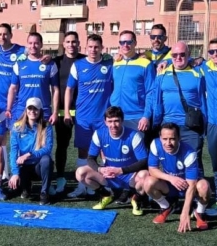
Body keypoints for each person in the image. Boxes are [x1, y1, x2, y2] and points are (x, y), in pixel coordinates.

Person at [64, 34, 113, 198]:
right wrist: (66, 112)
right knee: (83, 152)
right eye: (90, 47)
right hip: (83, 118)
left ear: (102, 48)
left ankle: (105, 186)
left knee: (105, 153)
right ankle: (81, 186)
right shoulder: (78, 65)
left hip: (103, 119)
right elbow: (69, 90)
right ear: (86, 48)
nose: (93, 50)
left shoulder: (109, 64)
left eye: (96, 47)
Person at [75, 106, 148, 214]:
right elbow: (90, 158)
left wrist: (121, 170)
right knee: (80, 173)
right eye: (110, 121)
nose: (113, 125)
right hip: (108, 175)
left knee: (145, 175)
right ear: (105, 122)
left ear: (122, 120)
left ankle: (136, 199)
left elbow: (143, 160)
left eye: (116, 121)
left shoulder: (133, 135)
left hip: (129, 175)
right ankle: (105, 195)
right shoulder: (99, 134)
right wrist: (100, 170)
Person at [111, 30, 156, 204]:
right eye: (122, 42)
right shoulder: (116, 63)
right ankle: (124, 189)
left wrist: (146, 116)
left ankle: (140, 192)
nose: (125, 45)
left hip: (137, 116)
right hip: (117, 116)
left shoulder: (145, 63)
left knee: (138, 156)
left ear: (135, 43)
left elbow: (151, 91)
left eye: (129, 42)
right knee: (121, 154)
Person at [152, 41, 207, 176]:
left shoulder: (198, 73)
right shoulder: (162, 72)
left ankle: (197, 193)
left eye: (182, 54)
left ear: (188, 55)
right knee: (170, 160)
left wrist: (203, 127)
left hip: (190, 126)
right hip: (168, 125)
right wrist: (156, 123)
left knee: (194, 160)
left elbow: (203, 101)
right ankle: (172, 193)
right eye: (174, 55)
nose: (178, 58)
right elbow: (157, 100)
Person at [144, 123, 210, 232]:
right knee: (148, 182)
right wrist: (171, 178)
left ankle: (199, 212)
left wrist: (185, 212)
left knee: (204, 186)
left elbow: (191, 186)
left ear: (179, 138)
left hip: (188, 187)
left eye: (172, 139)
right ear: (160, 137)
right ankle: (166, 207)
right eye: (164, 139)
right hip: (170, 185)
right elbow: (152, 170)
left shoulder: (189, 153)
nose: (168, 143)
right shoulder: (155, 145)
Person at [52, 31, 86, 193]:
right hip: (62, 111)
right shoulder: (56, 62)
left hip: (83, 111)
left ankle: (87, 179)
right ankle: (60, 177)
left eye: (74, 42)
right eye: (68, 42)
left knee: (85, 146)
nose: (71, 45)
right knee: (62, 145)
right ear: (63, 44)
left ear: (78, 44)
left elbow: (106, 60)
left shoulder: (85, 59)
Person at [0, 23, 26, 181]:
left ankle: (16, 172)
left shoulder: (20, 51)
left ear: (11, 35)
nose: (2, 37)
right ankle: (3, 172)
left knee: (15, 138)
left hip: (15, 103)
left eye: (5, 34)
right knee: (0, 138)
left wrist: (45, 57)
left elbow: (34, 53)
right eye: (0, 34)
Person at [6, 32, 59, 128]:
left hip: (43, 111)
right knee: (21, 141)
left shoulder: (50, 64)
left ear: (41, 45)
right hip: (22, 111)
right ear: (27, 44)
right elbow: (13, 88)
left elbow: (55, 90)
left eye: (36, 43)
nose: (33, 46)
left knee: (42, 142)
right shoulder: (19, 64)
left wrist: (55, 112)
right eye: (30, 43)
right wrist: (8, 109)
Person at [9, 97, 54, 205]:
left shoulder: (46, 126)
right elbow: (13, 151)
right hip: (24, 167)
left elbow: (48, 148)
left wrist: (29, 154)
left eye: (36, 109)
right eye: (30, 108)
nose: (32, 111)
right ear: (26, 110)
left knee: (46, 160)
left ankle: (44, 193)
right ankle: (26, 187)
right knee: (17, 189)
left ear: (40, 111)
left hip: (39, 166)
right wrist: (15, 173)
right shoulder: (17, 127)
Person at [199, 38, 217, 209]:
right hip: (213, 123)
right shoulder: (205, 68)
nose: (215, 54)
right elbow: (184, 61)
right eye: (212, 51)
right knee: (215, 162)